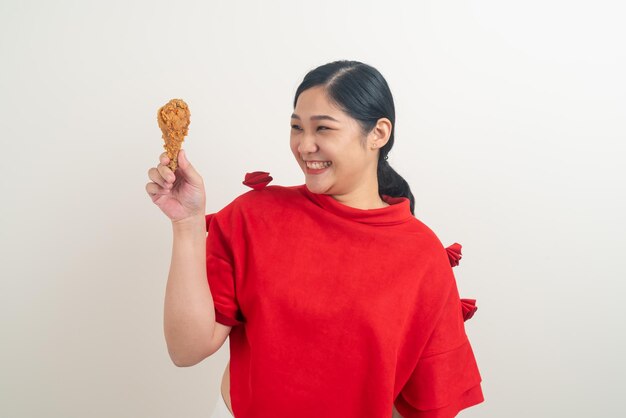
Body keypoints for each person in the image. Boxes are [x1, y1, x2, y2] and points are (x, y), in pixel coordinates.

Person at [146, 60, 484, 418]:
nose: (305, 145)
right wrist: (186, 224)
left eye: (323, 128)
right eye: (296, 127)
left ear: (378, 134)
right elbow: (186, 350)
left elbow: (425, 404)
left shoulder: (421, 255)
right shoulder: (254, 216)